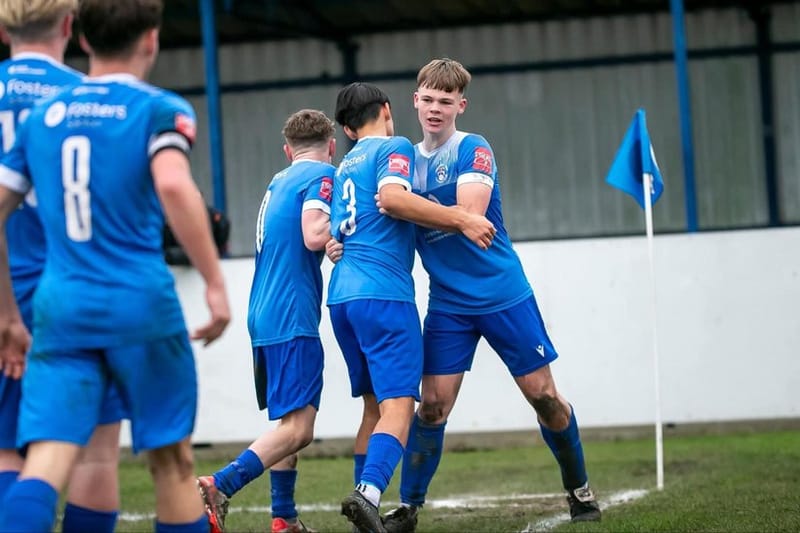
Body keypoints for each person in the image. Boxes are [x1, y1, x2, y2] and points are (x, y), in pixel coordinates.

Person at [0, 0, 230, 531]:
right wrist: (214, 281)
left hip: (62, 306)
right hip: (139, 303)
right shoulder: (157, 109)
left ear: (83, 39)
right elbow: (172, 183)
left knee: (46, 459)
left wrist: (8, 311)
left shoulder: (44, 117)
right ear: (151, 39)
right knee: (171, 464)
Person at [380, 58, 602, 532]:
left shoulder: (473, 148)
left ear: (460, 105)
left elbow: (471, 215)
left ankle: (579, 487)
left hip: (503, 294)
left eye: (445, 101)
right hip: (448, 304)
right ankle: (408, 508)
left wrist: (403, 204)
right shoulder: (401, 161)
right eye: (428, 99)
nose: (435, 109)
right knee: (432, 406)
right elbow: (382, 212)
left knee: (543, 396)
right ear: (415, 100)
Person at [328, 82, 495, 533]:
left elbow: (336, 233)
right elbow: (393, 198)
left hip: (341, 298)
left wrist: (333, 246)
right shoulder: (394, 146)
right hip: (383, 295)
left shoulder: (344, 166)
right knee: (400, 404)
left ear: (347, 129)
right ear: (386, 109)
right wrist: (462, 218)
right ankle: (368, 494)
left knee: (373, 408)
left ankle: (364, 508)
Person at [0, 2, 128, 532]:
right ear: (70, 27)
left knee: (7, 448)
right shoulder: (87, 97)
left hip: (5, 289)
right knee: (95, 454)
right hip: (75, 289)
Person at [196, 109, 337, 533]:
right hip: (291, 313)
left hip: (264, 311)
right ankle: (219, 484)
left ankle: (284, 517)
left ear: (287, 151)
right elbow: (314, 234)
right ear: (332, 147)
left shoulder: (278, 181)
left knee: (287, 421)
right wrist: (345, 232)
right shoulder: (322, 177)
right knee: (300, 429)